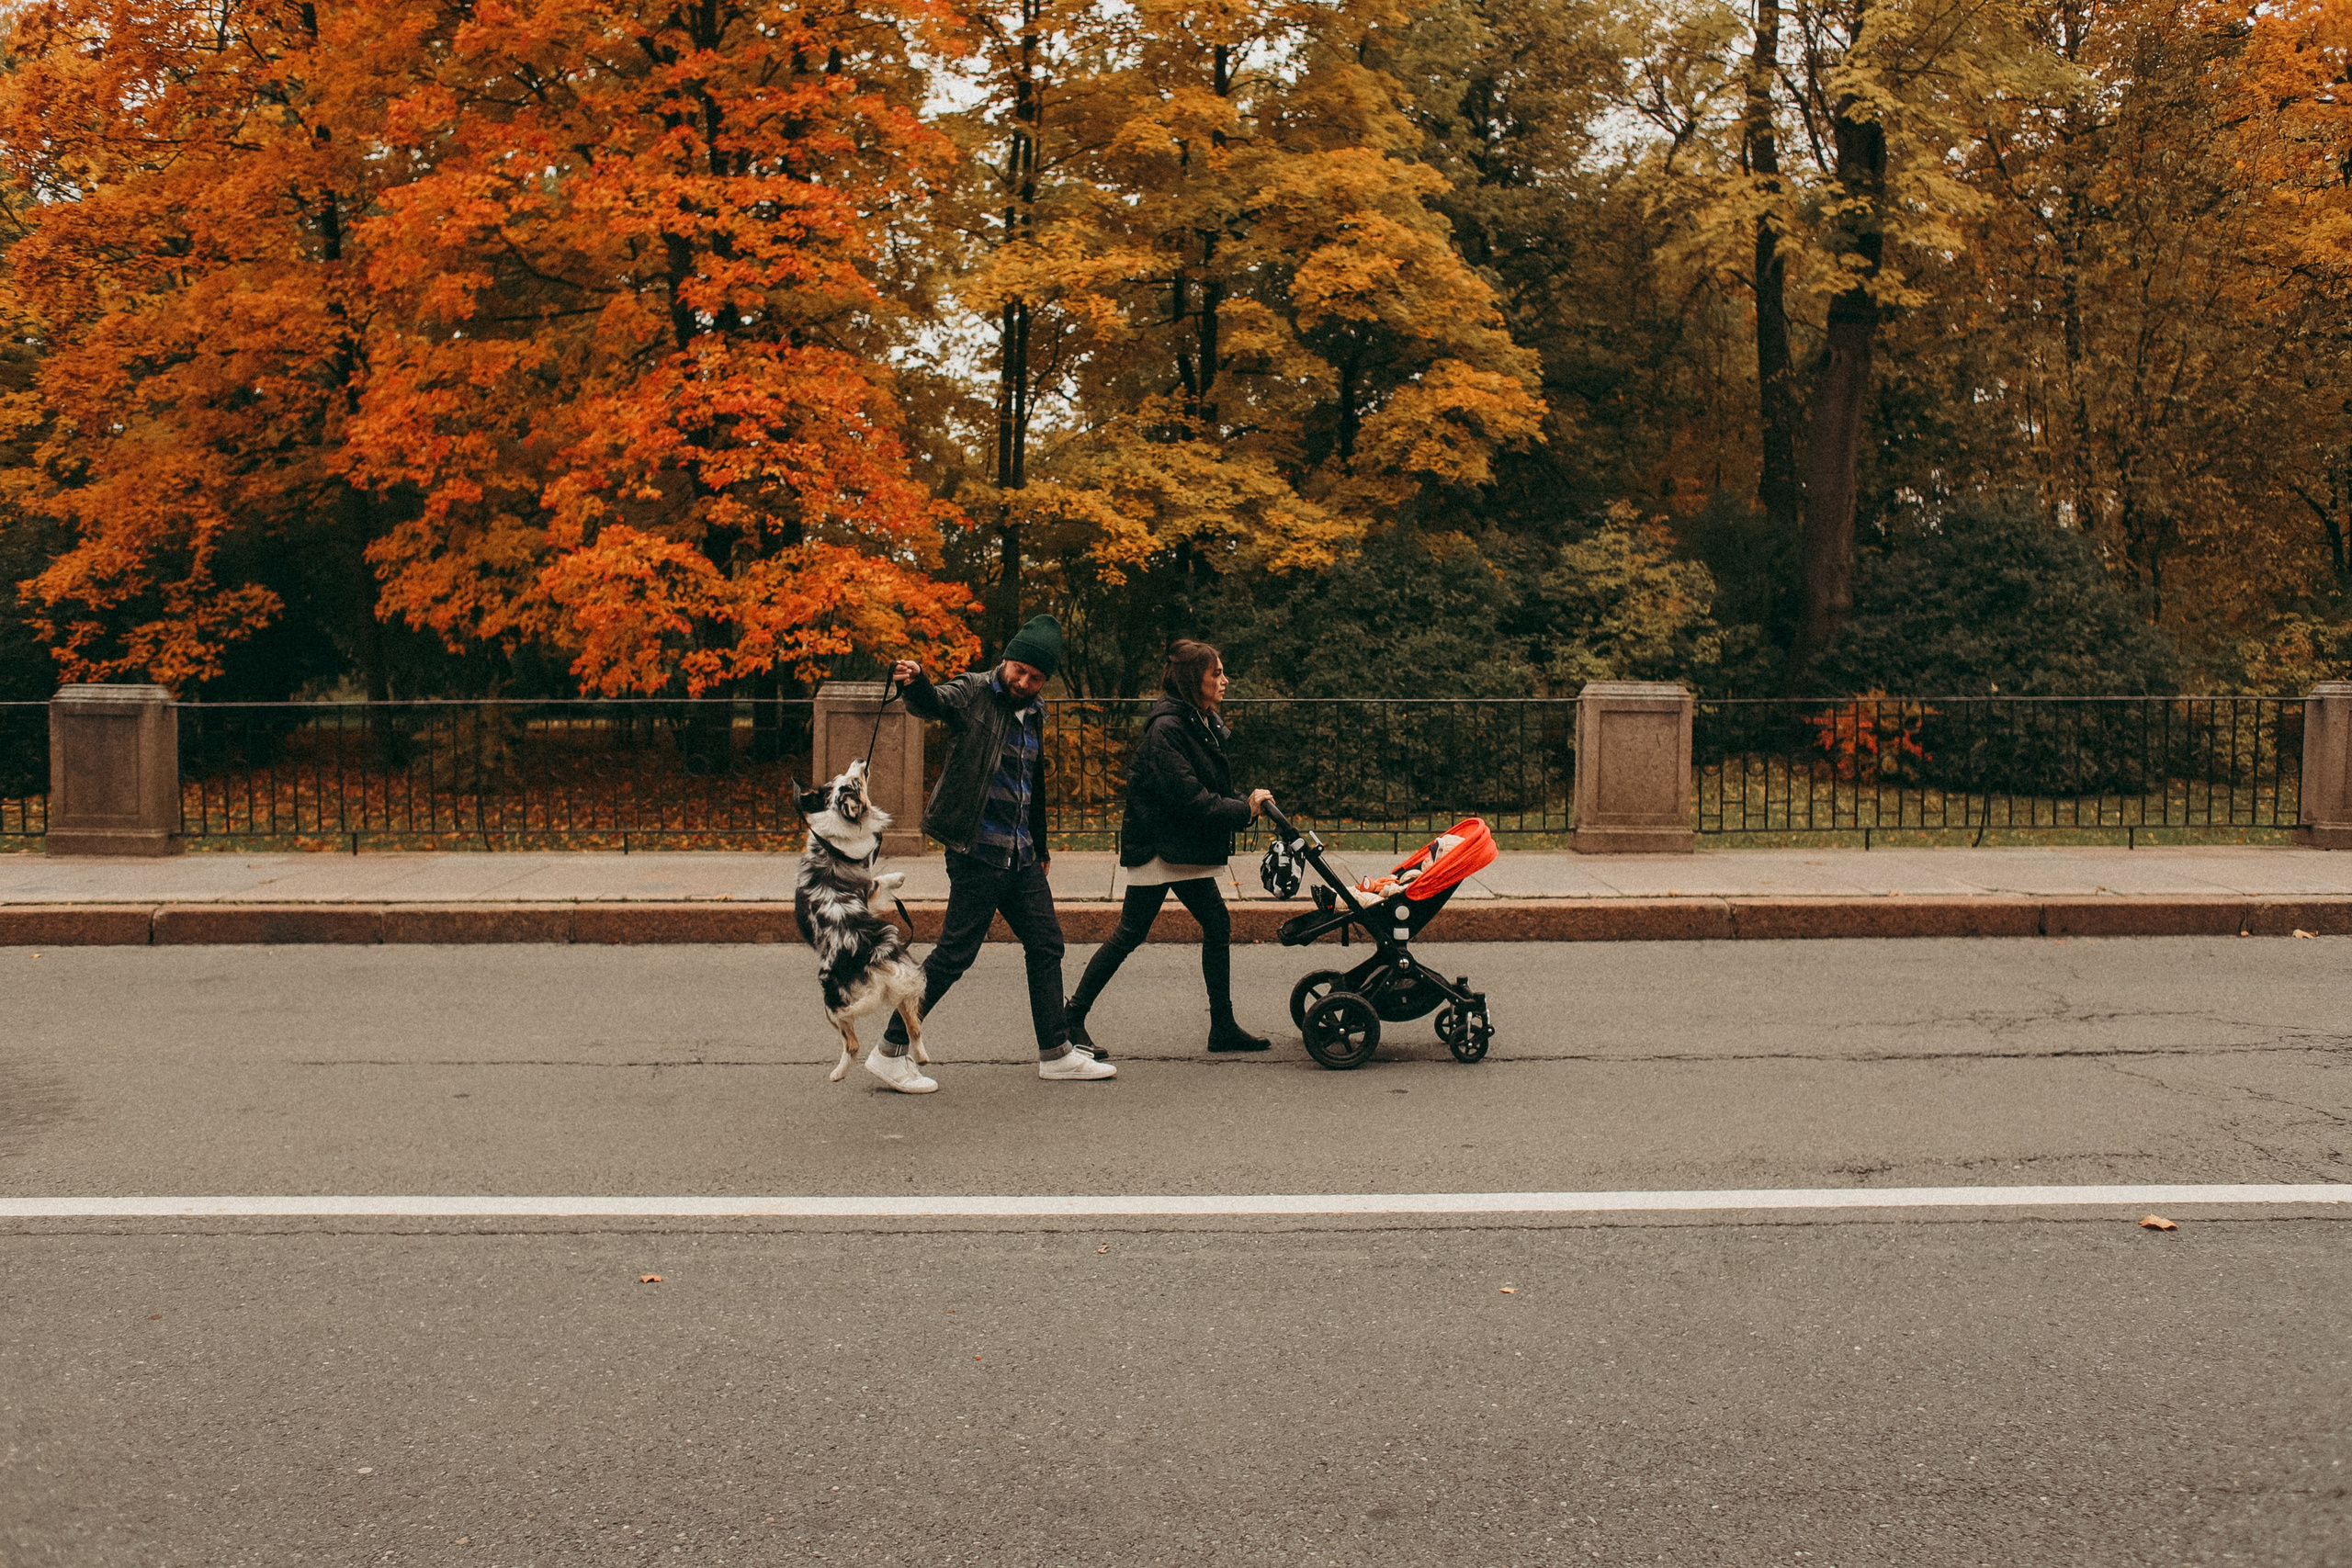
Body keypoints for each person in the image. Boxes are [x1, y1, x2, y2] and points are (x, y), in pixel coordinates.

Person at [880, 616, 1116, 1084]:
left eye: (1036, 677)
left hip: (1021, 855)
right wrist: (917, 682)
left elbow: (1032, 784)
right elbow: (933, 702)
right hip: (977, 850)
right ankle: (891, 1049)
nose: (1024, 682)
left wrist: (1041, 847)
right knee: (955, 954)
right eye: (1019, 670)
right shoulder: (974, 692)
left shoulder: (1035, 712)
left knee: (1046, 944)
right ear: (1007, 659)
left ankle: (1056, 1052)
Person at [1065, 639, 1276, 1056]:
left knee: (1214, 923)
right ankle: (1071, 1017)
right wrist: (1243, 810)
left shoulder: (1198, 720)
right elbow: (1191, 798)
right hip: (1161, 847)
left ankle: (1222, 1026)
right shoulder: (1168, 729)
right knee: (1130, 933)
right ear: (1194, 679)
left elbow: (1208, 786)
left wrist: (1244, 802)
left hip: (1181, 845)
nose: (1224, 680)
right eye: (1216, 673)